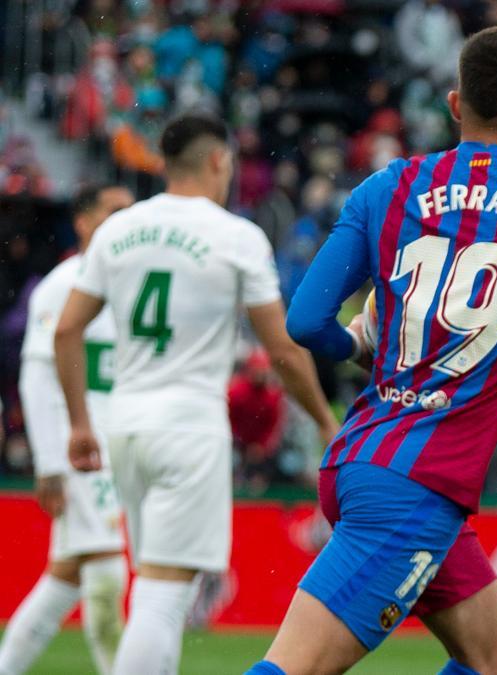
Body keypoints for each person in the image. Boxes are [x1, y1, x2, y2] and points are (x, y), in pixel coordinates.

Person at [248, 25, 497, 675]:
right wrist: (480, 379)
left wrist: (364, 348)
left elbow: (304, 320)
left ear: (452, 104)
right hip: (416, 485)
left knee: (493, 654)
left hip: (368, 455)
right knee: (293, 667)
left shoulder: (388, 185)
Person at [54, 113, 339, 675]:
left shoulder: (118, 229)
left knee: (156, 588)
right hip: (189, 428)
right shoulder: (236, 236)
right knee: (164, 596)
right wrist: (327, 424)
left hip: (125, 426)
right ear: (216, 161)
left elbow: (66, 329)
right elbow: (281, 350)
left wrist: (80, 423)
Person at [0, 184, 133, 675]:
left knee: (65, 577)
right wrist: (50, 463)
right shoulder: (65, 284)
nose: (126, 220)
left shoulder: (131, 285)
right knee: (104, 574)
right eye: (114, 211)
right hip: (79, 451)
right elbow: (36, 377)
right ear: (83, 221)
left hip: (114, 448)